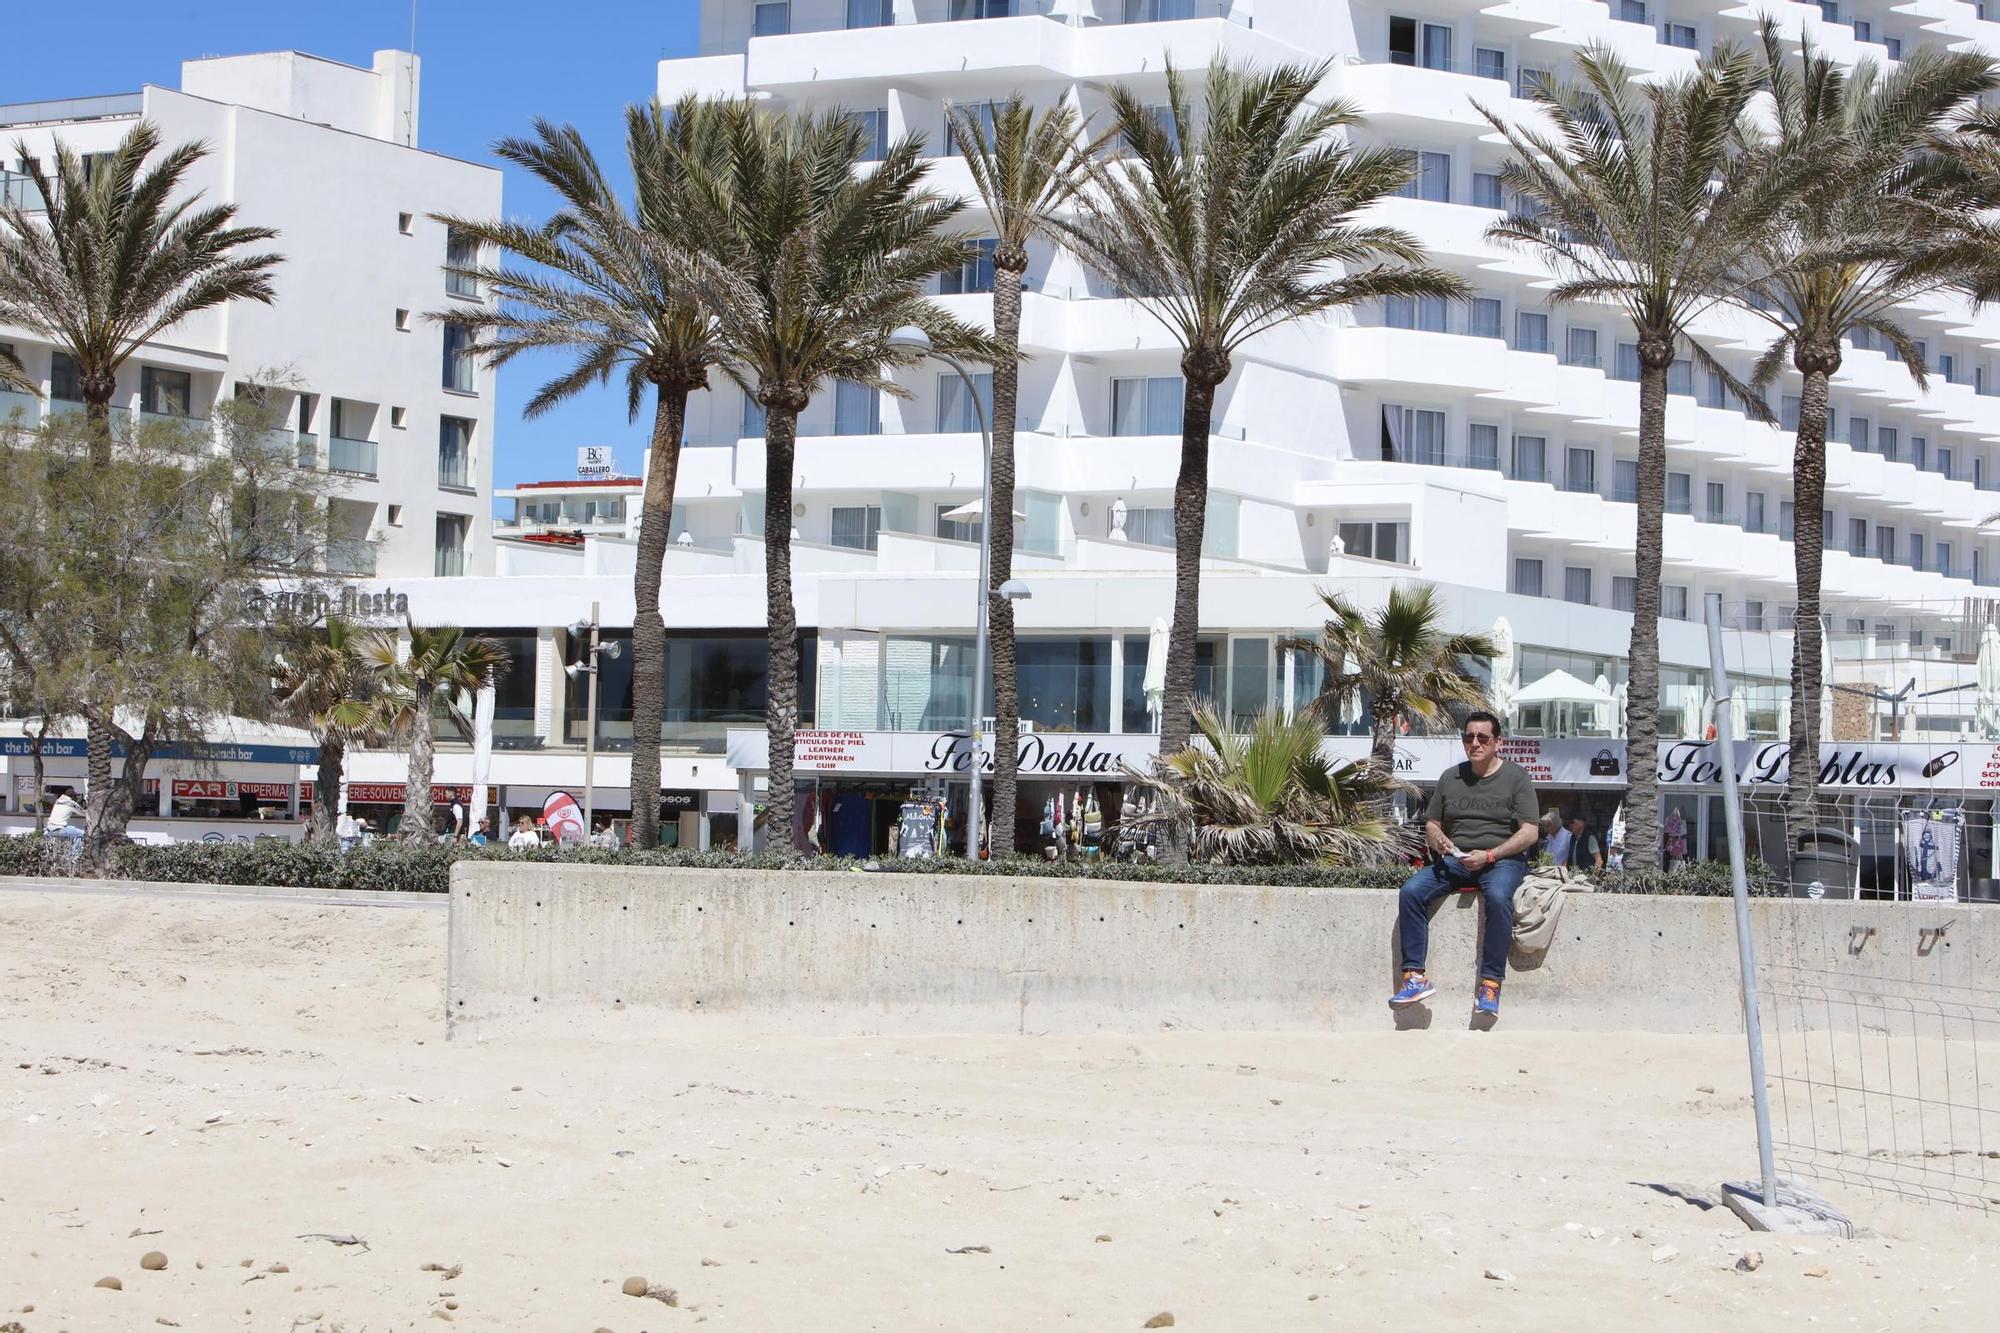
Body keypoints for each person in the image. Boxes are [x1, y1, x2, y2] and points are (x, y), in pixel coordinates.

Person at [1390, 710, 1541, 1018]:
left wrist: (1491, 855)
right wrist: (1439, 839)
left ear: (1497, 742)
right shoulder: (1450, 777)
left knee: (1498, 897)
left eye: (1483, 737)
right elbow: (1432, 823)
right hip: (1458, 859)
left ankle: (1490, 985)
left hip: (1501, 860)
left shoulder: (1516, 777)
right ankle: (1414, 978)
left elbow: (1530, 832)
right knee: (1411, 892)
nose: (1475, 743)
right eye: (1469, 737)